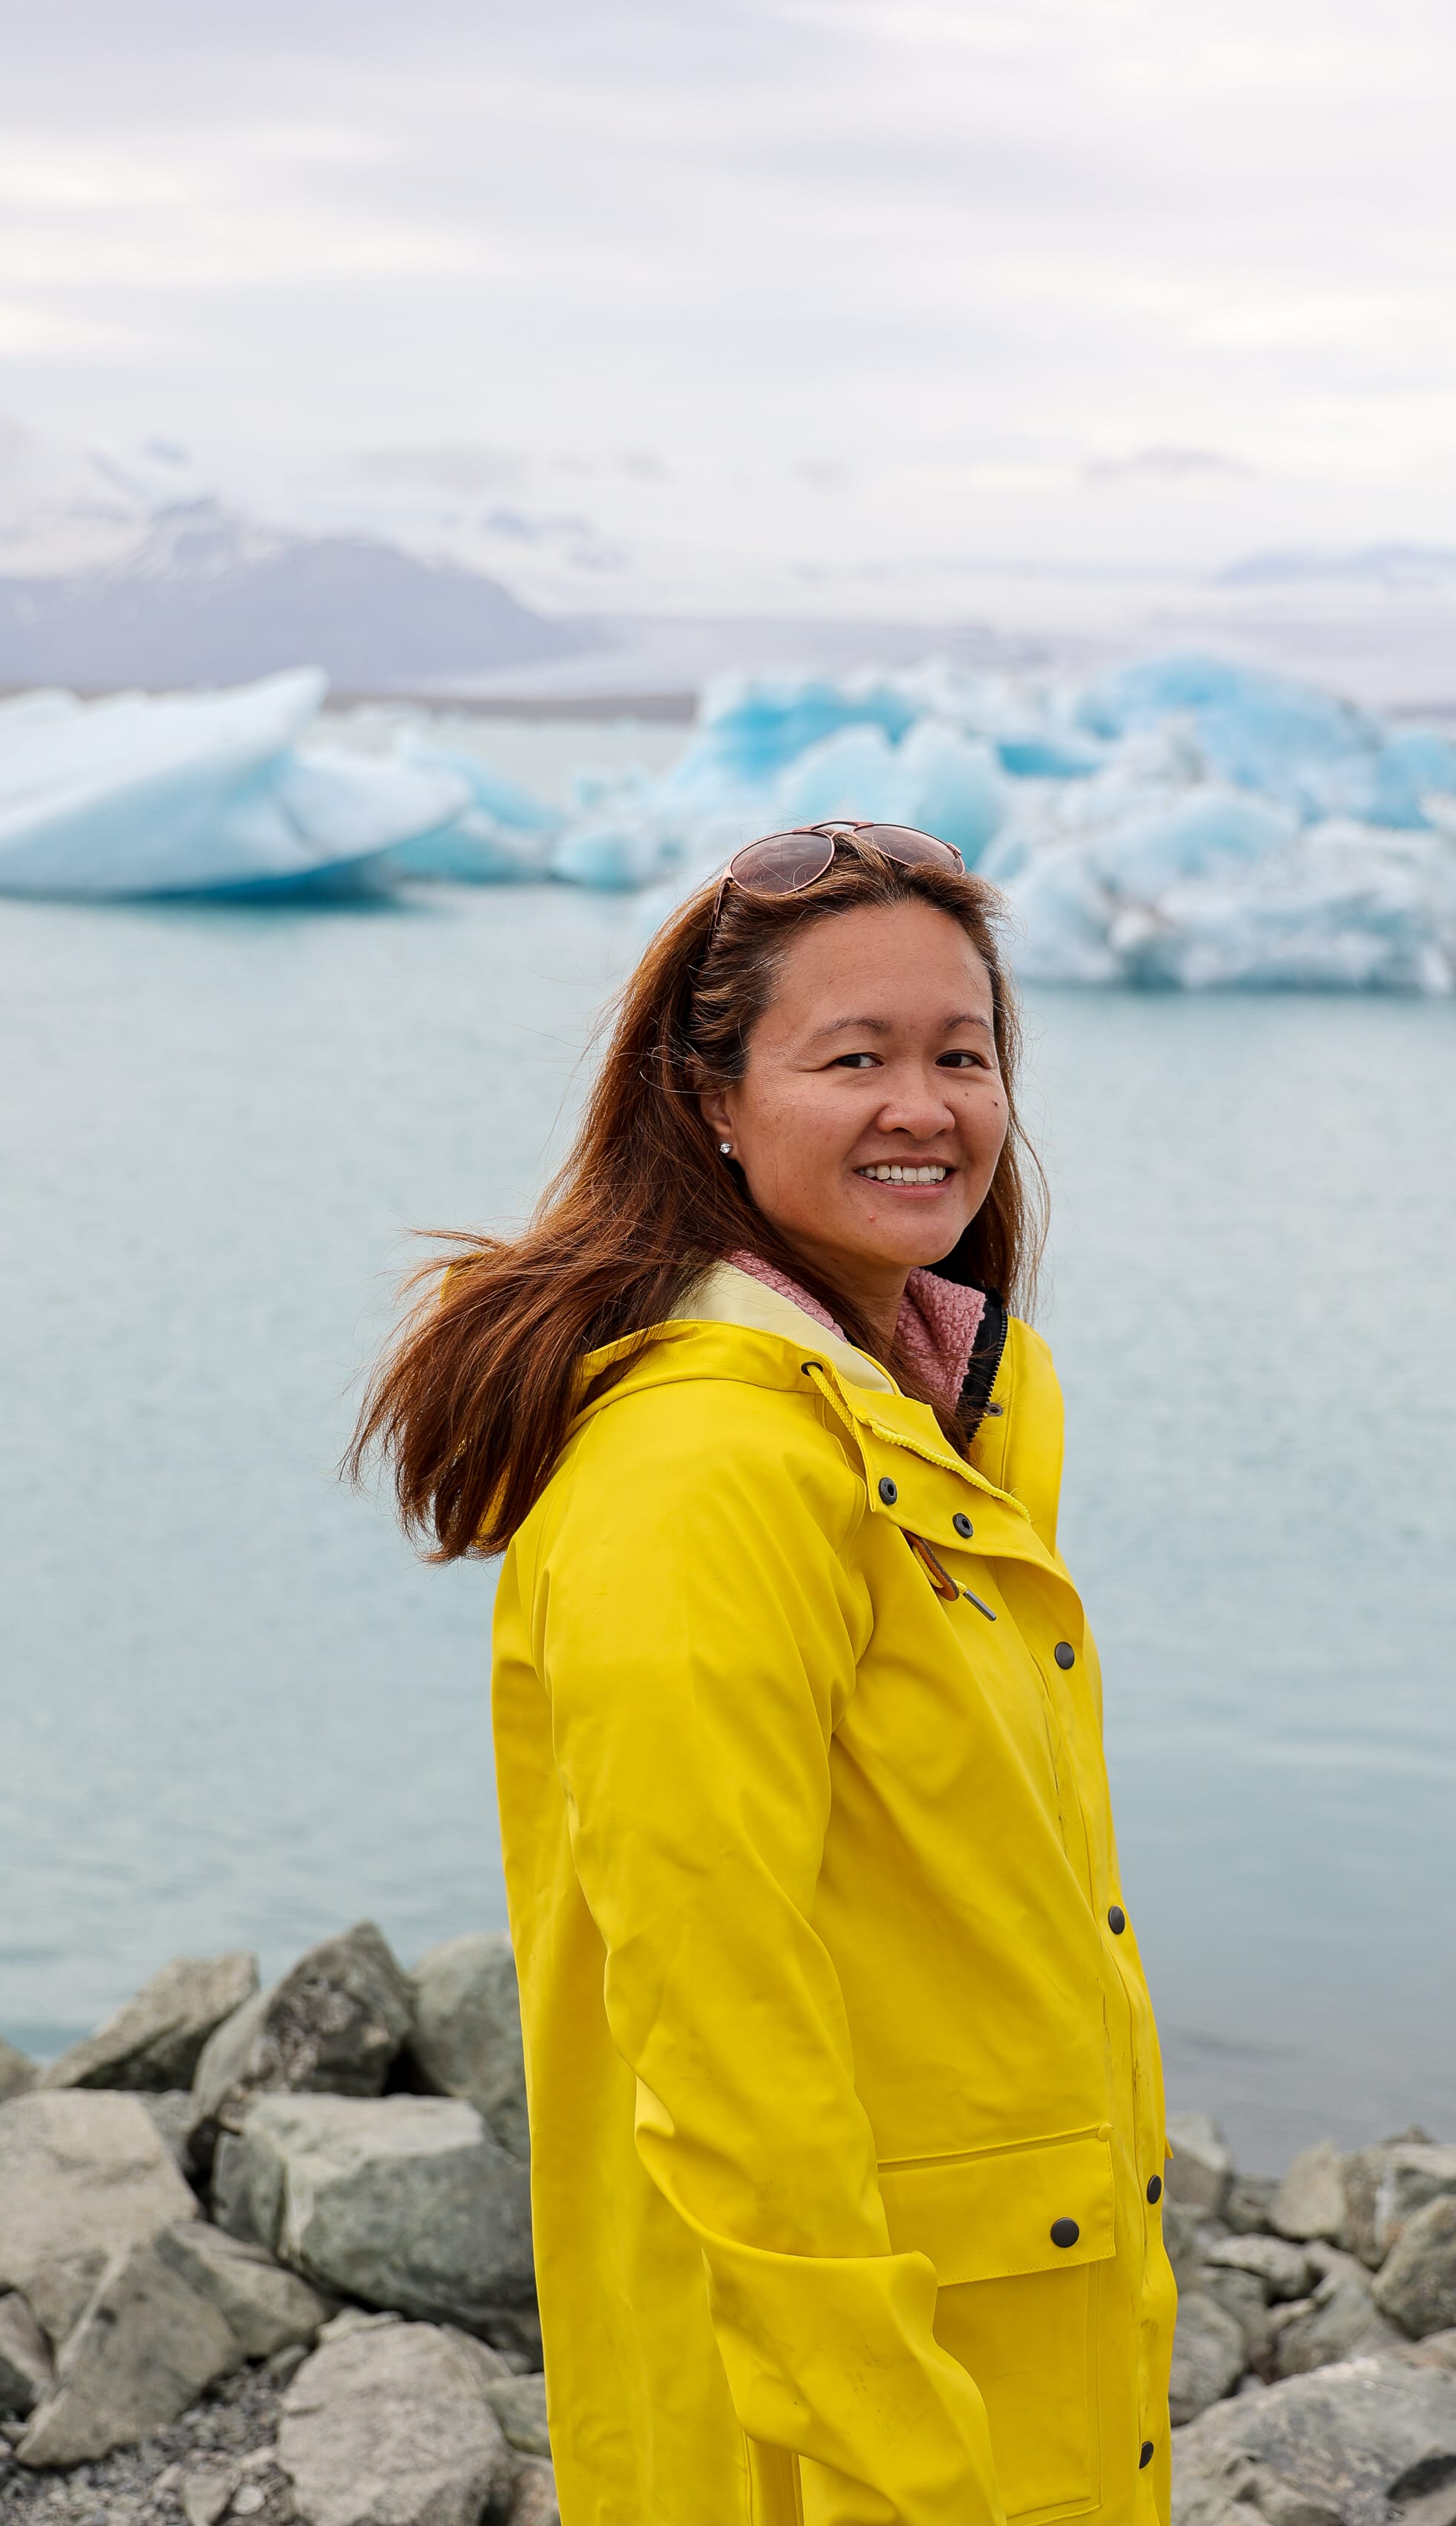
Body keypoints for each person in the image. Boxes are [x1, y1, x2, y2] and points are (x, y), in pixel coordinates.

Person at [355, 823, 1177, 2526]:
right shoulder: (708, 1475)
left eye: (963, 1054)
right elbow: (716, 2022)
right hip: (839, 2422)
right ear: (710, 1097)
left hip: (1014, 2321)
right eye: (852, 1057)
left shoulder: (947, 1416)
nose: (924, 1107)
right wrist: (897, 2447)